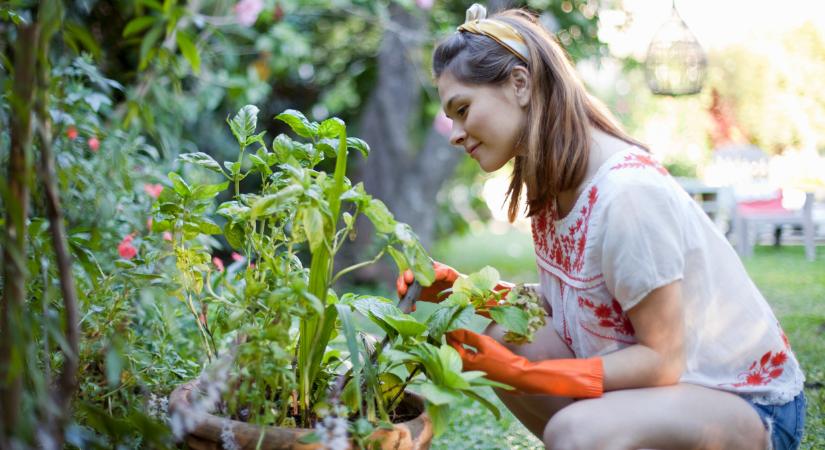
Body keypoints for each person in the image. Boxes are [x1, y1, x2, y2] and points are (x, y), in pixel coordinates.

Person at [396, 4, 806, 449]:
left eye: (462, 108)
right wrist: (465, 290)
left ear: (519, 83)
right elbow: (570, 307)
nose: (454, 132)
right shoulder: (553, 184)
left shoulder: (626, 195)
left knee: (575, 432)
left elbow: (661, 360)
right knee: (509, 334)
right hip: (671, 395)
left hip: (743, 405)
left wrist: (526, 375)